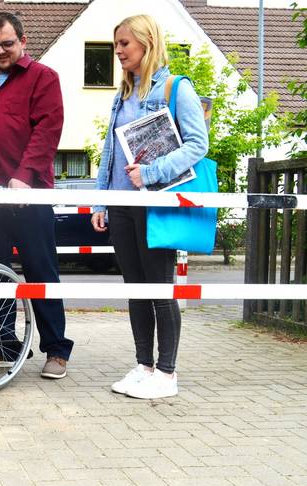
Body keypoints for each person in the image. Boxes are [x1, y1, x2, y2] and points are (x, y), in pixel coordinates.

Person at [91, 14, 208, 399]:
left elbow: (197, 144)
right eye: (116, 45)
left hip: (155, 203)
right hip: (122, 205)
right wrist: (101, 201)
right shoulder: (122, 94)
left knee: (160, 289)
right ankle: (144, 366)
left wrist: (152, 172)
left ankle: (168, 374)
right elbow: (110, 152)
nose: (118, 51)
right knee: (136, 289)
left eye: (124, 43)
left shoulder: (177, 88)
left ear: (146, 41)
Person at [0, 11, 73, 380]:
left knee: (41, 269)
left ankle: (56, 350)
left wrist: (24, 177)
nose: (1, 51)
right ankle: (4, 345)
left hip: (27, 195)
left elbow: (47, 131)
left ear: (23, 41)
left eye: (8, 44)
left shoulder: (43, 78)